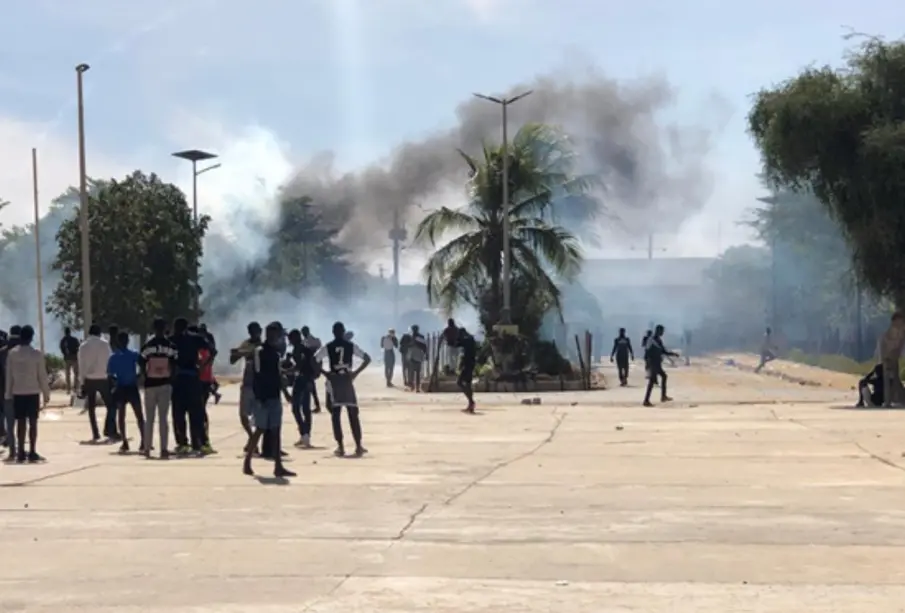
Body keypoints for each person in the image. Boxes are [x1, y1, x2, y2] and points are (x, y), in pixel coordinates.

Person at [243, 322, 296, 478]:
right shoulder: (260, 352)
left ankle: (278, 465)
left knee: (276, 430)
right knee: (260, 429)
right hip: (264, 397)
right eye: (275, 334)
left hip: (274, 395)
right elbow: (258, 374)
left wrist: (284, 392)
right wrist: (259, 396)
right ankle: (247, 462)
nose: (277, 337)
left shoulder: (275, 353)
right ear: (269, 334)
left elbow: (277, 375)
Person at [315, 321, 371, 457]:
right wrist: (355, 373)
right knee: (353, 413)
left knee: (336, 415)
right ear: (343, 332)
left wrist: (325, 373)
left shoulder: (328, 347)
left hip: (334, 380)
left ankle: (340, 446)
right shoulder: (350, 346)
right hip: (346, 380)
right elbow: (367, 358)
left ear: (333, 332)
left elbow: (313, 360)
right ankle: (358, 445)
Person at [5, 325, 51, 463]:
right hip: (32, 392)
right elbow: (42, 375)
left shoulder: (12, 353)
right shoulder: (36, 354)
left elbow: (9, 375)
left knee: (20, 423)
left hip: (18, 392)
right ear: (31, 337)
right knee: (33, 422)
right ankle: (32, 450)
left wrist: (8, 393)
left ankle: (20, 453)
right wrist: (46, 393)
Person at [170, 318, 215, 456]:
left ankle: (184, 442)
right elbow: (212, 350)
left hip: (180, 378)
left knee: (180, 412)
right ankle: (198, 443)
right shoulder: (195, 339)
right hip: (191, 377)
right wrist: (204, 364)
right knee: (194, 412)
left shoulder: (172, 340)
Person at [140, 317, 177, 459]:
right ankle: (163, 449)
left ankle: (147, 449)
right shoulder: (171, 346)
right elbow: (174, 364)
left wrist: (145, 375)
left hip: (150, 384)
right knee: (163, 418)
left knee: (149, 418)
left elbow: (141, 362)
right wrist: (171, 377)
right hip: (165, 384)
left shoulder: (148, 346)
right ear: (165, 328)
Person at [107, 331, 146, 454]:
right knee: (139, 415)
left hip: (121, 387)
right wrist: (139, 376)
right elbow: (143, 364)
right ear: (127, 341)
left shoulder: (113, 357)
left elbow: (109, 374)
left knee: (121, 416)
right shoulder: (133, 354)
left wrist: (115, 383)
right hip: (132, 387)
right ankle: (144, 441)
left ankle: (125, 442)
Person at [79, 323, 117, 442]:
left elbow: (81, 366)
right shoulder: (105, 344)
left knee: (91, 407)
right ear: (99, 333)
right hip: (103, 378)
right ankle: (109, 429)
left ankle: (95, 433)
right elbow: (111, 360)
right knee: (111, 405)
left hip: (89, 379)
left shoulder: (83, 346)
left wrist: (82, 382)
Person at [230, 322, 262, 449]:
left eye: (256, 331)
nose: (254, 334)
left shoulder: (264, 346)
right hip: (248, 383)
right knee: (243, 416)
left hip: (259, 385)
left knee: (260, 417)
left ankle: (253, 442)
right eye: (252, 331)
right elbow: (233, 360)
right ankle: (252, 438)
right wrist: (239, 353)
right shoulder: (246, 344)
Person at [287, 328, 317, 448]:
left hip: (302, 379)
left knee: (297, 408)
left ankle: (304, 433)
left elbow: (300, 366)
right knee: (305, 409)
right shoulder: (302, 349)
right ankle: (305, 435)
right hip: (306, 379)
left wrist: (287, 370)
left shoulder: (300, 349)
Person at [643, 324, 678, 407]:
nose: (662, 333)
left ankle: (663, 396)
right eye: (662, 331)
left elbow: (663, 351)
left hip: (657, 362)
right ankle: (646, 400)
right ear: (658, 331)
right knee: (652, 381)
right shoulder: (651, 340)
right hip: (653, 362)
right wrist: (648, 364)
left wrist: (673, 354)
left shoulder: (659, 340)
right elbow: (647, 352)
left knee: (663, 376)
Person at [300, 326, 323, 413]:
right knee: (311, 388)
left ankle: (315, 406)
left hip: (311, 367)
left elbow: (316, 351)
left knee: (311, 387)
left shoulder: (314, 340)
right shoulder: (306, 341)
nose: (304, 334)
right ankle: (316, 406)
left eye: (304, 332)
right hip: (309, 366)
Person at [456, 327, 477, 413]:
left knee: (460, 382)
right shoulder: (470, 339)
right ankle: (470, 403)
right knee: (467, 384)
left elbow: (457, 343)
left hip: (468, 364)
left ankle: (471, 401)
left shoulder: (468, 339)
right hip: (469, 364)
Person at [59, 327, 80, 395]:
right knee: (76, 374)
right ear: (70, 332)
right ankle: (75, 388)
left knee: (68, 374)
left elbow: (62, 348)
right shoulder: (74, 339)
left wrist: (65, 354)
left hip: (67, 358)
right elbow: (78, 347)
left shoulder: (63, 340)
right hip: (74, 358)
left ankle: (68, 389)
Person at [407, 325, 427, 392]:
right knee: (417, 372)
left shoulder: (410, 337)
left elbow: (407, 346)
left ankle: (413, 386)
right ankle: (417, 387)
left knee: (412, 372)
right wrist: (425, 354)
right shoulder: (420, 337)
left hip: (412, 355)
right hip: (418, 355)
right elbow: (424, 347)